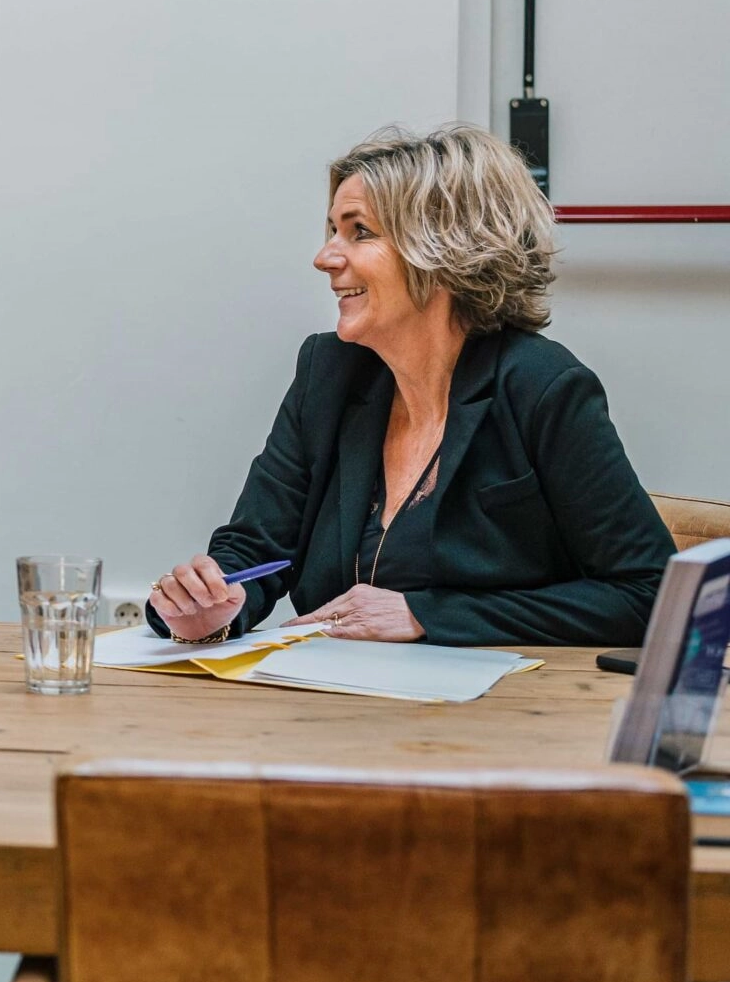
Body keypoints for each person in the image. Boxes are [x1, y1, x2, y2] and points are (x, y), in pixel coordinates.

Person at [150, 123, 674, 648]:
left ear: (444, 248)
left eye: (360, 232)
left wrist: (425, 615)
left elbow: (649, 594)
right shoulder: (327, 372)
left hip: (498, 713)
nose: (324, 256)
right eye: (332, 229)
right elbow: (255, 551)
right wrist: (211, 608)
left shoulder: (542, 385)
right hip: (330, 705)